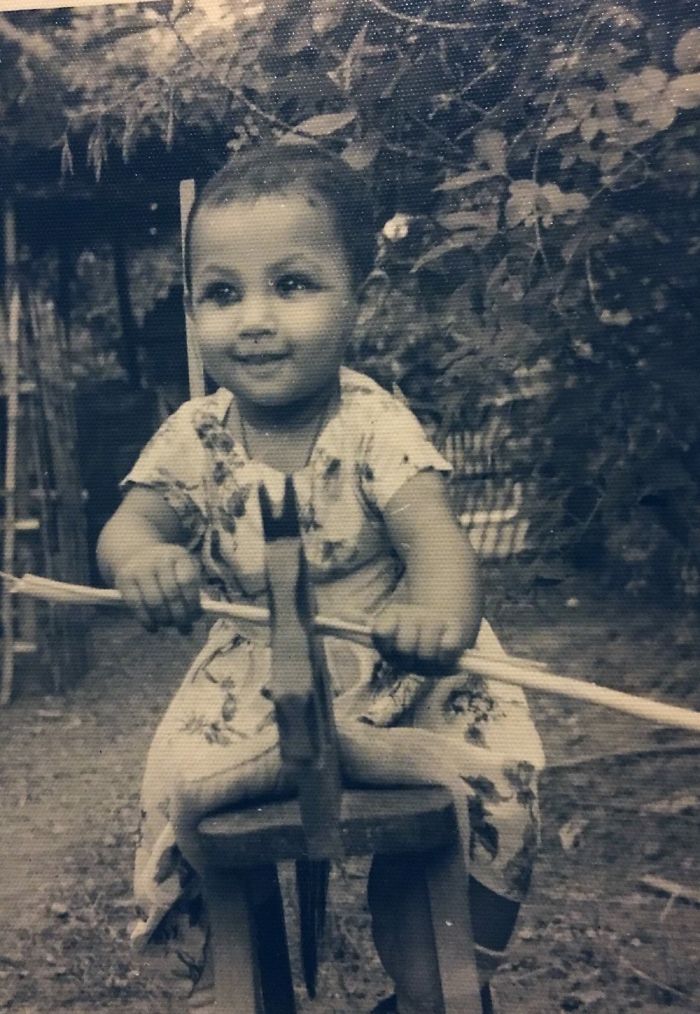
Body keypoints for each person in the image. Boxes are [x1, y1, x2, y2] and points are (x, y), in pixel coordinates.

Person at [97, 142, 545, 1014]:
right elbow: (132, 524)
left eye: (292, 285)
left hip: (400, 667)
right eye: (223, 294)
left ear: (359, 303)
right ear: (194, 311)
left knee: (495, 789)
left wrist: (436, 617)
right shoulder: (197, 434)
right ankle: (241, 971)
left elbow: (439, 544)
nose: (254, 320)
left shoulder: (373, 424)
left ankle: (428, 978)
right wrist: (144, 559)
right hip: (262, 679)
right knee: (182, 808)